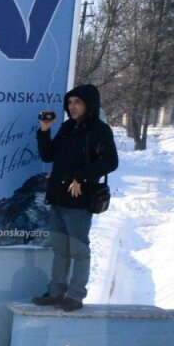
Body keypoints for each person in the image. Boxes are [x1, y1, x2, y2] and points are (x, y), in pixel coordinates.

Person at [34, 84, 119, 312]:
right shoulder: (67, 127)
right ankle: (56, 292)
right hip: (58, 199)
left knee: (79, 251)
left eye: (77, 102)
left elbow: (110, 161)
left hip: (78, 202)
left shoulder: (99, 130)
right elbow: (48, 155)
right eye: (69, 103)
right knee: (60, 249)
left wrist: (81, 177)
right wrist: (44, 130)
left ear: (88, 104)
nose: (72, 107)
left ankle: (75, 296)